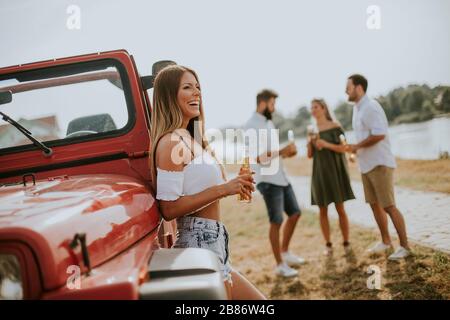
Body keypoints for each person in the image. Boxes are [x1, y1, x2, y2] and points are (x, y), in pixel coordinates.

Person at [150, 65, 266, 299]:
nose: (197, 93)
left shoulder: (191, 138)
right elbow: (169, 209)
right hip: (198, 241)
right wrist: (224, 189)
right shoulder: (170, 142)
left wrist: (235, 183)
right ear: (169, 95)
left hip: (214, 239)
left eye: (198, 87)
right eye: (187, 87)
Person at [345, 74, 410, 260]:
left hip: (380, 164)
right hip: (366, 166)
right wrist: (355, 150)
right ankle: (386, 241)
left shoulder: (371, 107)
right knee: (374, 205)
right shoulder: (357, 109)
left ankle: (405, 246)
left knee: (389, 206)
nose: (345, 91)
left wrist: (357, 146)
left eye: (348, 87)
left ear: (359, 88)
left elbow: (379, 134)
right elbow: (365, 136)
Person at [244, 89, 304, 278]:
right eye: (272, 103)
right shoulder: (251, 126)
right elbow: (260, 157)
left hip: (281, 177)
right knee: (276, 221)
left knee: (295, 214)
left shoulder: (268, 123)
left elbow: (272, 152)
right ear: (263, 103)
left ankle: (285, 253)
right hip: (268, 181)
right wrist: (283, 150)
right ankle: (279, 264)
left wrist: (286, 152)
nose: (274, 107)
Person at [307, 99, 355, 256]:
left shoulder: (335, 127)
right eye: (311, 108)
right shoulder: (312, 130)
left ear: (323, 108)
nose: (313, 110)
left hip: (335, 171)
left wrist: (326, 144)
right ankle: (328, 244)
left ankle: (346, 242)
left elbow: (345, 148)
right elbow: (309, 155)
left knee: (340, 208)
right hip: (319, 172)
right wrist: (310, 142)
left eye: (316, 107)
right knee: (322, 209)